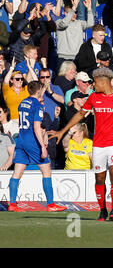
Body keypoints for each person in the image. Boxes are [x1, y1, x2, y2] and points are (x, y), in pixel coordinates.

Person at [49, 67, 113, 221]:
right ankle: (102, 210)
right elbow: (80, 114)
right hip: (98, 144)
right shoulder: (93, 98)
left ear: (104, 81)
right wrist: (62, 131)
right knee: (99, 179)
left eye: (94, 82)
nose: (92, 85)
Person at [8, 80, 67, 212]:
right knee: (46, 171)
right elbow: (36, 127)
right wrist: (42, 146)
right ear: (39, 91)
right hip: (32, 140)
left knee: (17, 172)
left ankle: (12, 204)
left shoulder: (23, 102)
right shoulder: (37, 105)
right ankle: (51, 205)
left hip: (21, 139)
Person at [55, 0, 94, 64]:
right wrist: (73, 8)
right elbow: (64, 24)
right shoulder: (58, 22)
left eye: (75, 12)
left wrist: (89, 8)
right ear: (65, 13)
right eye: (71, 12)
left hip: (78, 57)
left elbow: (90, 24)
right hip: (63, 58)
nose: (74, 14)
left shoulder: (79, 23)